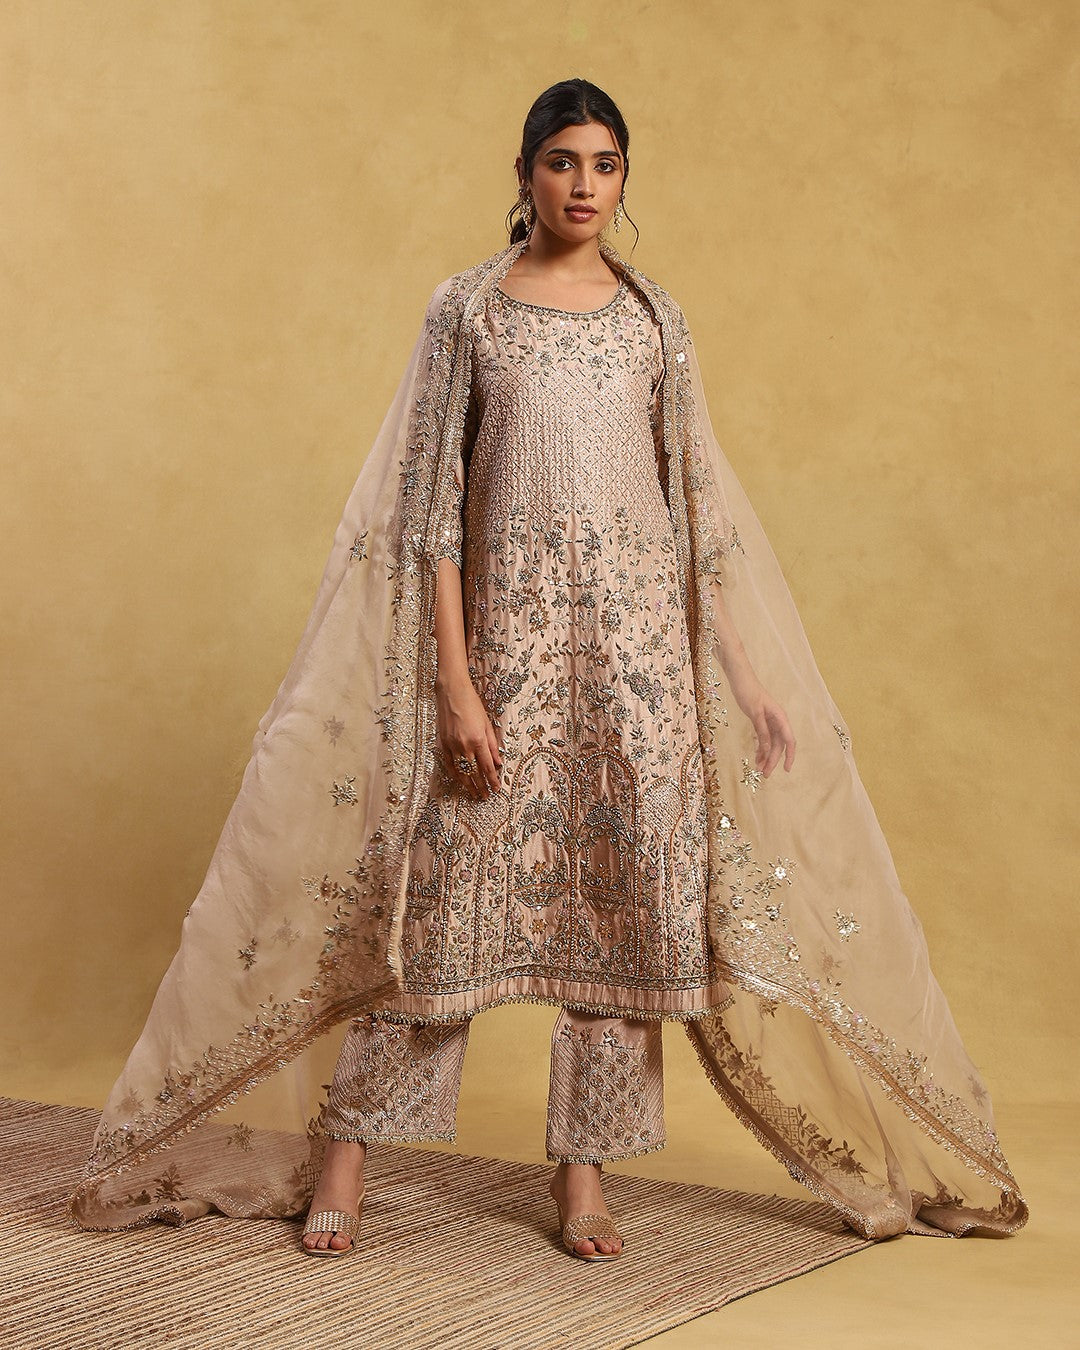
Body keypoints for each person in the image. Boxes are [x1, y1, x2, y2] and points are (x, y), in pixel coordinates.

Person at [68, 79, 1028, 1259]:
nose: (584, 184)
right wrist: (457, 686)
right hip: (505, 664)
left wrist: (745, 679)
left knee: (621, 926)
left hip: (640, 673)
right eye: (563, 160)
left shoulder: (655, 320)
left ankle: (582, 1177)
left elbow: (695, 516)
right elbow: (430, 518)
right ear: (524, 172)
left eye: (606, 164)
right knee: (439, 917)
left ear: (625, 180)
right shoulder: (468, 310)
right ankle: (345, 1158)